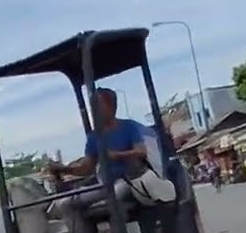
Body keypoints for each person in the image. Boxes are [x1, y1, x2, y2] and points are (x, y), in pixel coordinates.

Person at [47, 88, 177, 212]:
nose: (94, 111)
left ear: (111, 107)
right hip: (104, 185)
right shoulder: (93, 137)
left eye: (98, 106)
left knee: (115, 196)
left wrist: (117, 155)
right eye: (92, 107)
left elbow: (141, 151)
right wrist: (63, 169)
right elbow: (86, 168)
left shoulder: (129, 127)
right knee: (65, 204)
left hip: (129, 181)